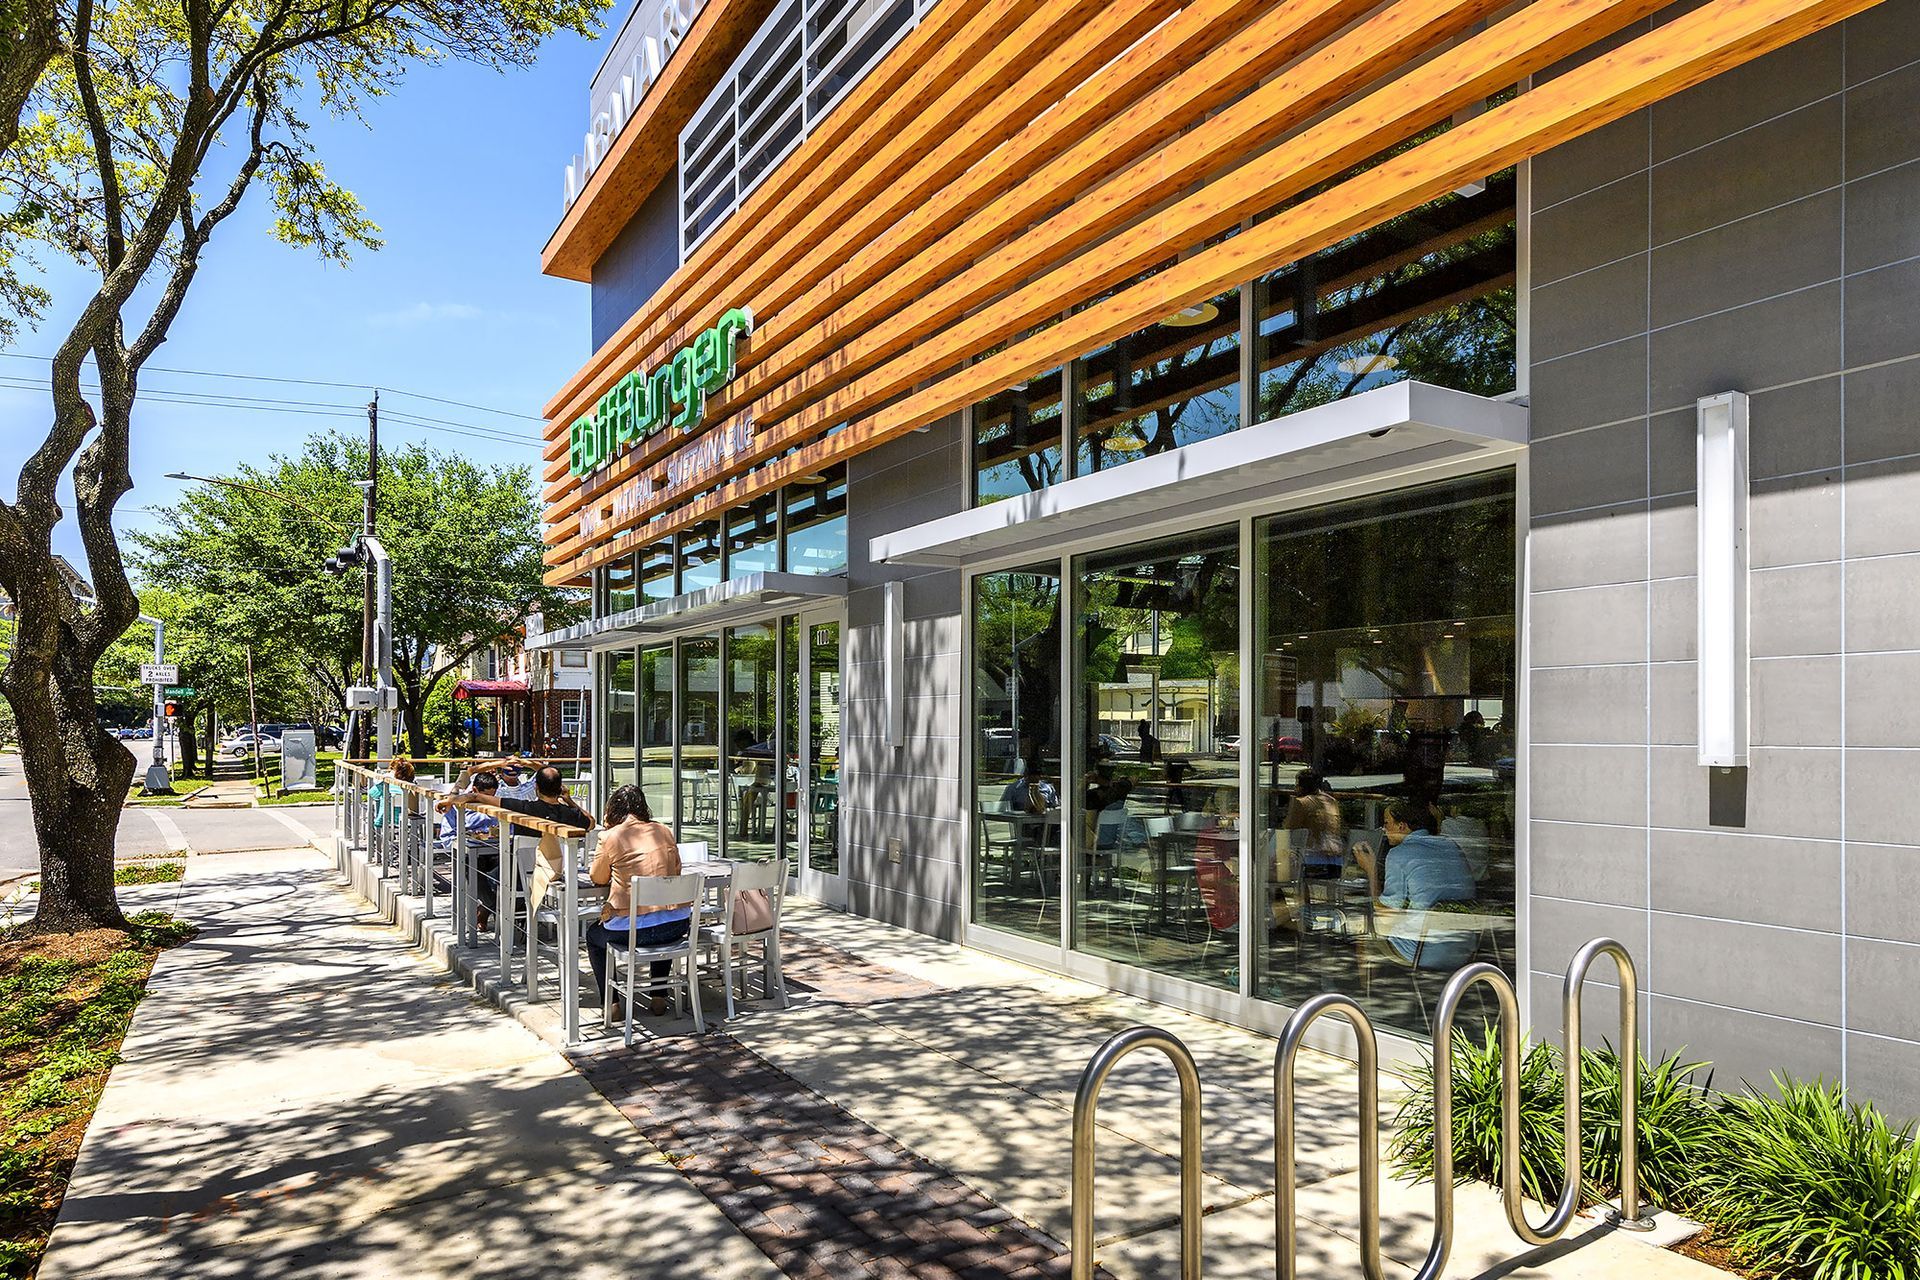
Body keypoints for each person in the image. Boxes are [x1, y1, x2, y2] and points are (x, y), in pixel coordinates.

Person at [586, 785, 690, 1012]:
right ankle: (659, 995)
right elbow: (676, 870)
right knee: (661, 917)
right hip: (676, 926)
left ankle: (611, 1002)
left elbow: (598, 877)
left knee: (593, 935)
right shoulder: (663, 830)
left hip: (631, 932)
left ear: (613, 810)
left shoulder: (610, 837)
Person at [1355, 797, 1477, 969]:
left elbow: (1386, 914)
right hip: (1464, 948)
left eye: (1387, 823)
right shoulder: (1451, 845)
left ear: (1401, 826)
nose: (1384, 829)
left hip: (1422, 950)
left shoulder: (1399, 854)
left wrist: (1371, 870)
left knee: (1363, 934)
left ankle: (1366, 995)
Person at [1283, 769, 1345, 880]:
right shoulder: (1332, 801)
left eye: (1297, 785)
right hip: (1336, 863)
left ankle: (1277, 894)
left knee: (1268, 864)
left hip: (1312, 863)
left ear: (1301, 786)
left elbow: (1287, 829)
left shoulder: (1302, 802)